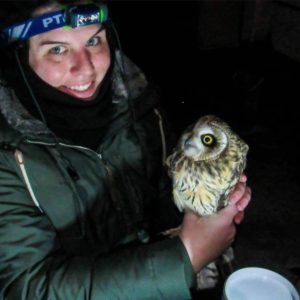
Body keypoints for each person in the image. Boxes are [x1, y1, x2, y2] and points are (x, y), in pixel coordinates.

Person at [0, 1, 251, 299]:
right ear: (20, 57)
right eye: (57, 49)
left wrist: (210, 209)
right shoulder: (9, 156)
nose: (86, 68)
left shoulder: (141, 106)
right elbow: (25, 288)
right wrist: (185, 256)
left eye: (94, 40)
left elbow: (165, 199)